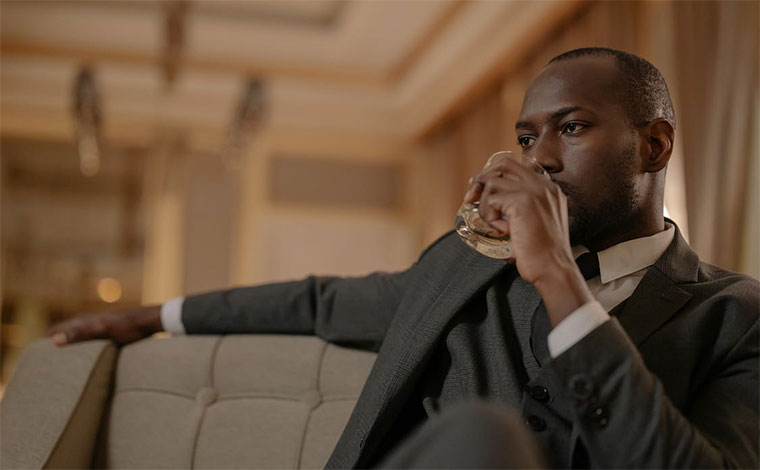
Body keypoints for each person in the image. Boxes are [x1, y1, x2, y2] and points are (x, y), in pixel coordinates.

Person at [48, 47, 759, 469]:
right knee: (481, 438)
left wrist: (557, 277)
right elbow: (320, 301)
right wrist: (150, 316)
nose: (538, 158)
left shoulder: (737, 317)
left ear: (654, 145)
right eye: (525, 138)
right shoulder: (463, 264)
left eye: (571, 129)